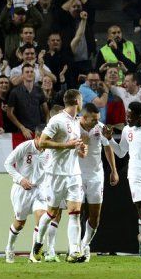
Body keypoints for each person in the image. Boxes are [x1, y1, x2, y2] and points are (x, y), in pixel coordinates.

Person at [31, 89, 88, 263]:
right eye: (82, 99)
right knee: (51, 213)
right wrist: (66, 145)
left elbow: (74, 147)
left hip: (73, 174)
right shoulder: (57, 120)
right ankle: (38, 245)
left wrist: (80, 151)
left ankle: (74, 252)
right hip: (55, 174)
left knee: (75, 213)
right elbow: (42, 142)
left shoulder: (76, 122)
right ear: (77, 101)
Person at [104, 102, 141, 262]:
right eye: (126, 116)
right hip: (135, 175)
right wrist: (110, 140)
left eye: (130, 117)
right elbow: (121, 152)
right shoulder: (127, 130)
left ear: (140, 116)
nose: (127, 119)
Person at [78, 103, 119, 261]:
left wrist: (114, 170)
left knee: (95, 216)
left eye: (98, 119)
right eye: (94, 119)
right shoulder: (74, 128)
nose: (97, 122)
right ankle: (76, 248)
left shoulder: (100, 128)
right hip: (77, 175)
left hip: (96, 176)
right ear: (84, 117)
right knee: (77, 213)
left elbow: (107, 148)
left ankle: (85, 244)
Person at [4, 125, 47, 263]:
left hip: (39, 190)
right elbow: (8, 163)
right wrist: (20, 179)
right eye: (45, 138)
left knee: (42, 219)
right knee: (20, 223)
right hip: (21, 190)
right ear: (37, 137)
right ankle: (9, 248)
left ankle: (34, 255)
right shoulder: (25, 147)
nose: (48, 141)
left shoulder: (50, 150)